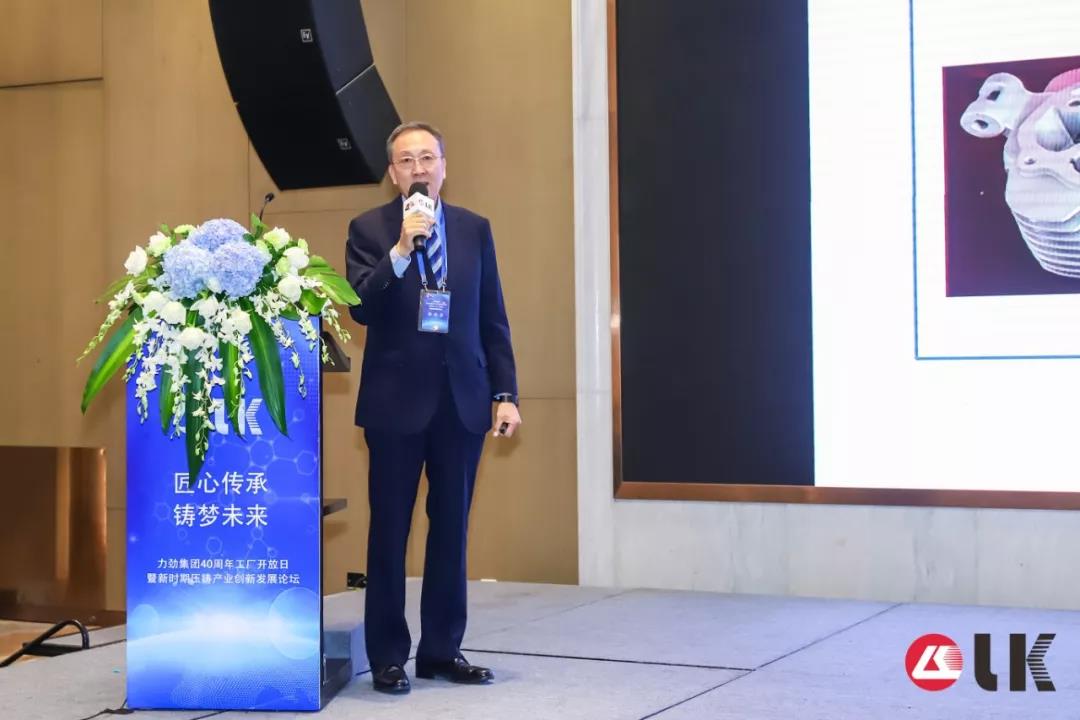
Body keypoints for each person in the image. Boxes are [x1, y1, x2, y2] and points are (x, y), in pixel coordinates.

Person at [345, 121, 522, 694]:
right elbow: (360, 307)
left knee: (451, 532)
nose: (418, 168)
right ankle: (388, 656)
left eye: (427, 157)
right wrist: (401, 251)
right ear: (392, 173)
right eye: (406, 160)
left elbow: (492, 316)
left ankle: (442, 651)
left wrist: (505, 394)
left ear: (444, 165)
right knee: (389, 533)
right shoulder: (369, 229)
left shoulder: (474, 229)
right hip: (395, 406)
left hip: (463, 402)